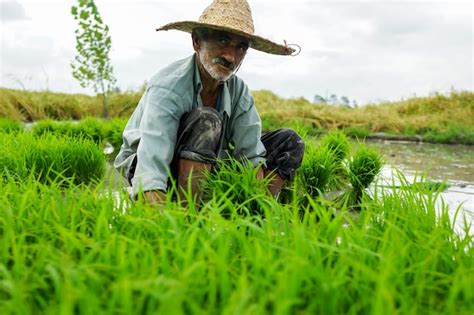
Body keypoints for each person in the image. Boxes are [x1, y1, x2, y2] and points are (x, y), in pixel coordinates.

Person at [114, 0, 305, 206]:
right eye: (223, 41)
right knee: (207, 120)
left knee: (289, 142)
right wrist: (161, 221)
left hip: (206, 162)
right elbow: (151, 166)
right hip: (148, 161)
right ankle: (189, 218)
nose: (231, 57)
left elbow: (249, 154)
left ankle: (258, 213)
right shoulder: (168, 87)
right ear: (197, 41)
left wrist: (256, 199)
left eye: (240, 47)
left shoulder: (238, 90)